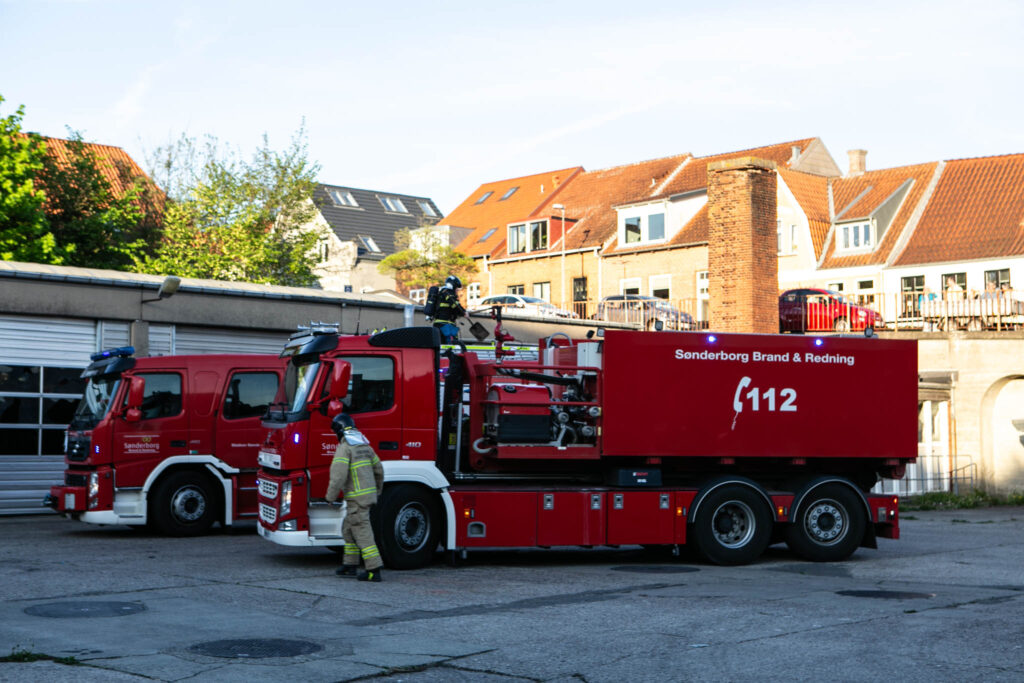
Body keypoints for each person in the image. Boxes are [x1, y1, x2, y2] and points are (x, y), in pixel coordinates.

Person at [326, 413, 385, 582]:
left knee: (362, 531)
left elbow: (338, 476)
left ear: (339, 431)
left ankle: (374, 569)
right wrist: (377, 491)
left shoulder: (345, 448)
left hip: (356, 499)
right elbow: (379, 470)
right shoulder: (364, 446)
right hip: (366, 497)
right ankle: (350, 565)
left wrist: (330, 497)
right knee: (348, 529)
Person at [431, 275, 466, 343]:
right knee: (450, 347)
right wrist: (464, 312)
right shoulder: (448, 292)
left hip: (439, 325)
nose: (457, 291)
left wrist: (462, 313)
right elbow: (454, 304)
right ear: (452, 286)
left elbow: (453, 308)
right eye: (456, 289)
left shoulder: (442, 293)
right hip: (445, 326)